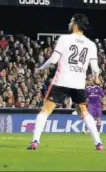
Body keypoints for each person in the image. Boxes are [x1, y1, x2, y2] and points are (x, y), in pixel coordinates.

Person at [28, 14, 103, 151]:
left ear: (75, 25)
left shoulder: (64, 39)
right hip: (79, 84)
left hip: (62, 81)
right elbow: (95, 68)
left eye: (71, 21)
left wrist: (40, 69)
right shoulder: (91, 44)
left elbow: (53, 60)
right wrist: (97, 77)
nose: (69, 23)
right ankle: (98, 143)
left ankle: (35, 141)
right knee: (84, 112)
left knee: (45, 110)